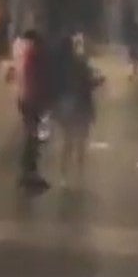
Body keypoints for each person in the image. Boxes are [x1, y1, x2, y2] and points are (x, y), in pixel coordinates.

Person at [54, 34, 102, 188]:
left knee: (69, 143)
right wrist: (98, 82)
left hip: (71, 106)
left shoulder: (68, 64)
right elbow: (87, 84)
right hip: (81, 107)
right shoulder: (82, 64)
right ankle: (76, 176)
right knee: (79, 143)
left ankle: (65, 176)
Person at [8, 24, 49, 190]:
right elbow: (34, 81)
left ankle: (29, 171)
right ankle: (29, 172)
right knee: (32, 136)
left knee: (31, 135)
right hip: (31, 100)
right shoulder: (32, 57)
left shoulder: (23, 54)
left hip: (25, 99)